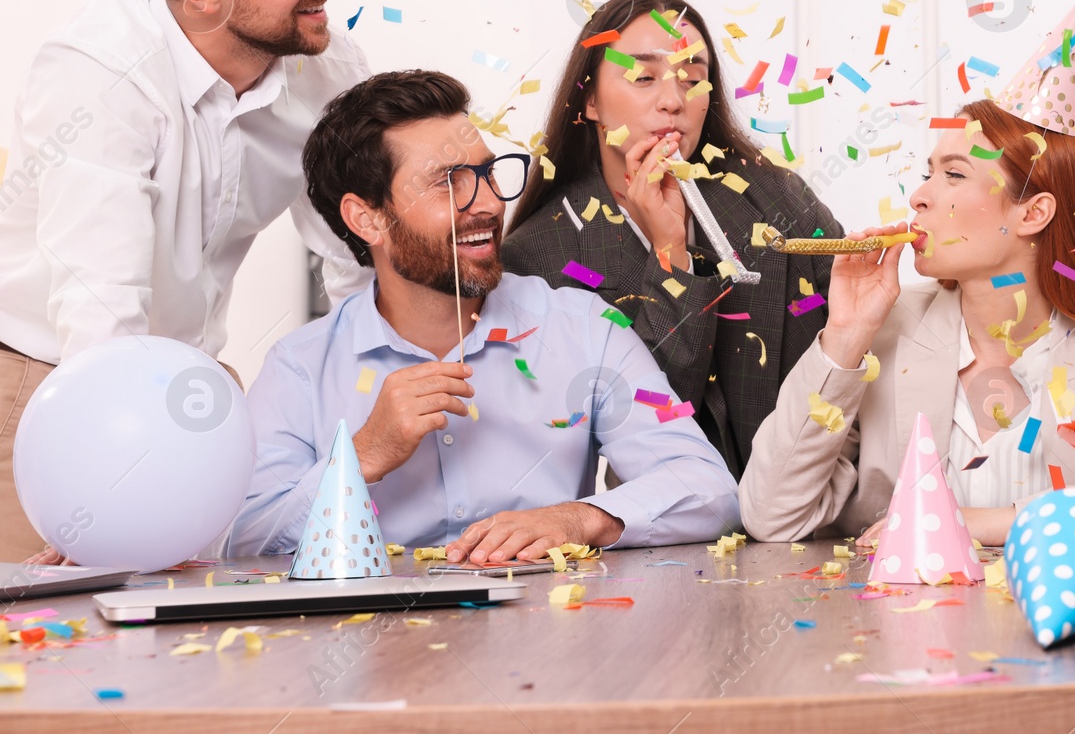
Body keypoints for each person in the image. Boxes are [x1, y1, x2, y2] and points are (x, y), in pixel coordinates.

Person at [0, 0, 369, 562]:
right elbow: (100, 306)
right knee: (56, 644)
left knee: (198, 641)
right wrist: (103, 483)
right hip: (47, 387)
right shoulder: (100, 72)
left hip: (188, 386)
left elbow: (361, 258)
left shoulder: (325, 69)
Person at [226, 71, 739, 559]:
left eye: (487, 173)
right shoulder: (299, 367)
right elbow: (244, 543)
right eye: (449, 182)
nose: (489, 203)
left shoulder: (584, 328)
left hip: (546, 634)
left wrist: (580, 519)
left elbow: (708, 489)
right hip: (372, 647)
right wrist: (361, 456)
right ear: (367, 219)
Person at [739, 14, 1075, 546]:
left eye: (953, 175)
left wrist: (988, 523)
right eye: (927, 173)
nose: (919, 196)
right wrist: (846, 336)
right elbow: (771, 516)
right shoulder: (884, 341)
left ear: (1033, 213)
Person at [501, 0, 843, 479]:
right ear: (591, 101)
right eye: (643, 77)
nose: (673, 101)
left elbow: (858, 332)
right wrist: (671, 256)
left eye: (693, 79)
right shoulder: (540, 256)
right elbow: (643, 423)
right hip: (654, 532)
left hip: (810, 514)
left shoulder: (777, 197)